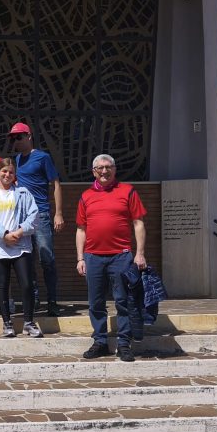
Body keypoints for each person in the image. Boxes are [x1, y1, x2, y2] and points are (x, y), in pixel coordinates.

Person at [75, 154, 147, 362]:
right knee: (95, 302)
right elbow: (81, 229)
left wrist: (140, 253)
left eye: (108, 167)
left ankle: (124, 343)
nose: (104, 171)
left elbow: (138, 223)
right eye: (100, 168)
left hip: (121, 256)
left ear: (115, 169)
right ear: (94, 172)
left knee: (123, 301)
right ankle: (100, 342)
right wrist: (80, 258)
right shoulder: (86, 196)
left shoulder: (128, 191)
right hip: (92, 257)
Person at [0, 158, 42, 338]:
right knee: (1, 286)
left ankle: (28, 322)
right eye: (4, 171)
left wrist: (20, 231)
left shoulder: (23, 193)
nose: (7, 175)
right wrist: (5, 234)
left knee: (27, 284)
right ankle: (7, 323)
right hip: (0, 246)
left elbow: (34, 215)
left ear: (15, 175)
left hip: (21, 245)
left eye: (11, 172)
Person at [9, 122, 65, 317]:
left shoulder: (42, 157)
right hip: (21, 218)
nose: (16, 141)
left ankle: (52, 301)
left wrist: (58, 213)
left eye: (19, 137)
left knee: (46, 258)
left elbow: (55, 183)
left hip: (40, 214)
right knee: (27, 260)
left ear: (29, 136)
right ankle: (33, 299)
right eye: (13, 138)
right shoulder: (16, 160)